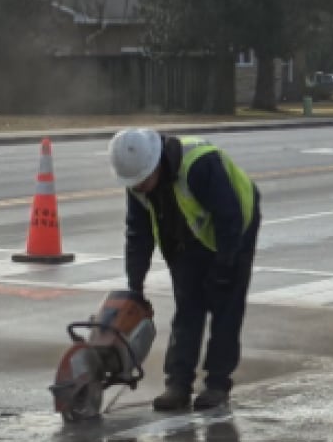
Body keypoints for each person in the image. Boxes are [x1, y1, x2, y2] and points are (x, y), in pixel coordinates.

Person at [110, 128, 261, 411]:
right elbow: (138, 234)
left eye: (143, 180)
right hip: (187, 237)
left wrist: (225, 265)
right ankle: (178, 384)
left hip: (235, 226)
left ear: (156, 163)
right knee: (187, 306)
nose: (139, 187)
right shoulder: (138, 184)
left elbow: (229, 217)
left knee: (225, 307)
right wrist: (135, 285)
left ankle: (217, 385)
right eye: (134, 183)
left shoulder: (200, 165)